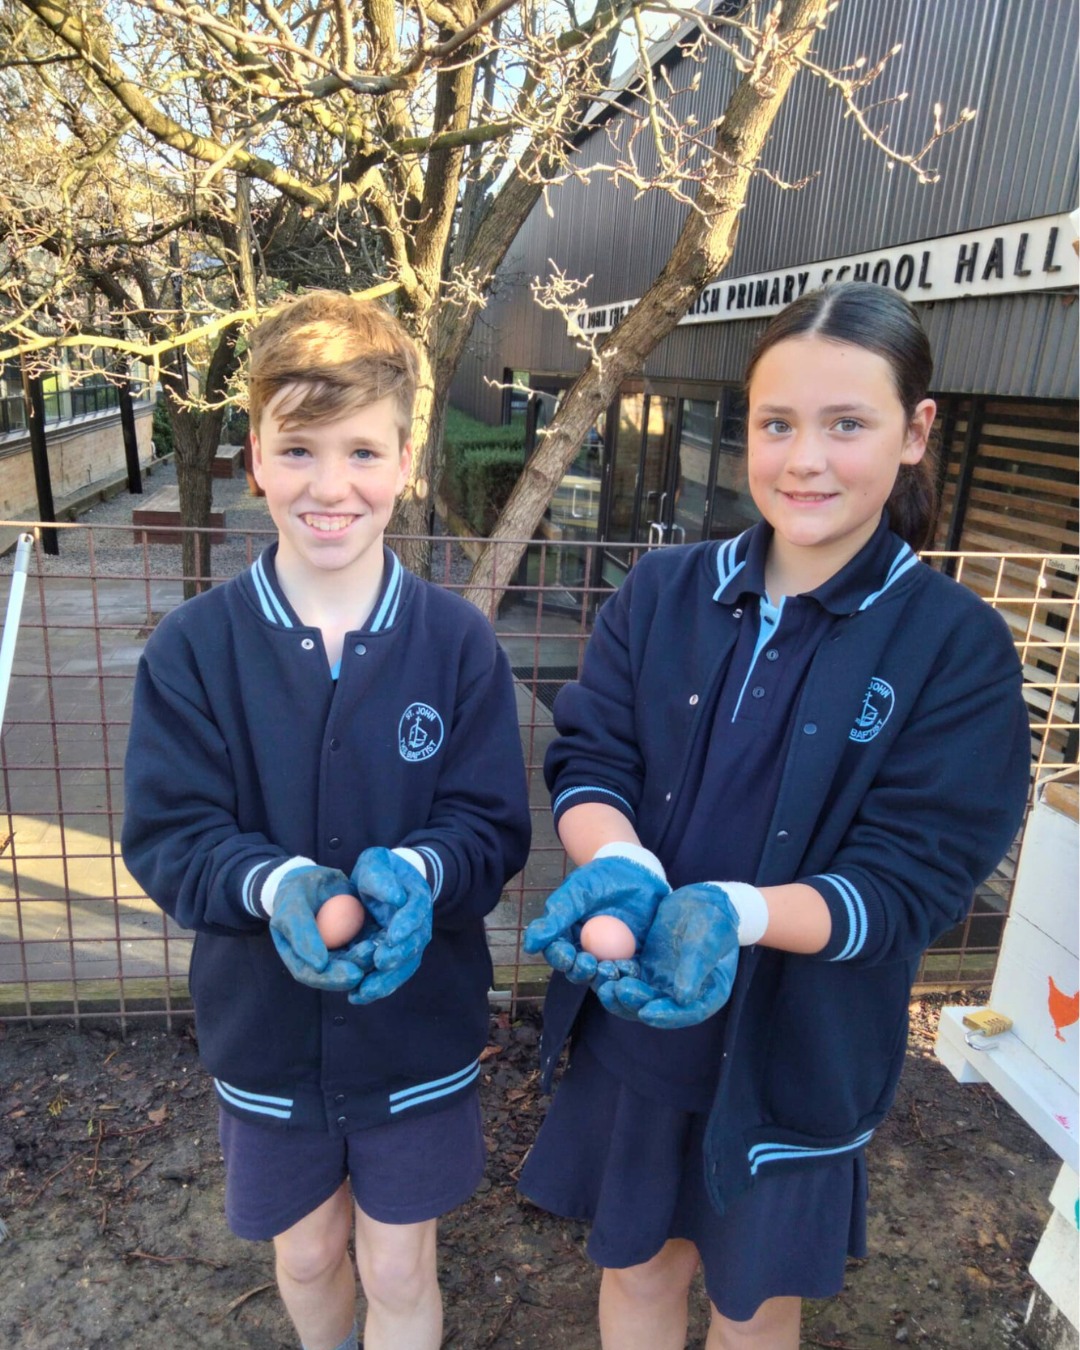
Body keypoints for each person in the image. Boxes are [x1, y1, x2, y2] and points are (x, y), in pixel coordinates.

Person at [520, 281, 1031, 1350]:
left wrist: (738, 914)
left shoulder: (956, 649)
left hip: (801, 1045)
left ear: (914, 433)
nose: (805, 460)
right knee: (638, 1268)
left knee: (751, 1305)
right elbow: (591, 757)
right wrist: (622, 869)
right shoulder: (662, 592)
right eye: (778, 424)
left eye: (847, 425)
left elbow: (911, 880)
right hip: (641, 1018)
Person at [122, 290, 531, 1350]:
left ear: (405, 461)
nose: (330, 485)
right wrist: (277, 885)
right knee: (305, 1254)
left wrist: (420, 875)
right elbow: (171, 834)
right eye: (299, 449)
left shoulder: (457, 644)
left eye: (361, 451)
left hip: (418, 1031)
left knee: (397, 1261)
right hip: (264, 1035)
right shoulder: (194, 650)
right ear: (256, 457)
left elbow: (490, 825)